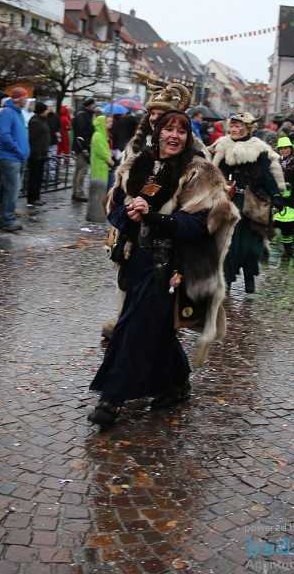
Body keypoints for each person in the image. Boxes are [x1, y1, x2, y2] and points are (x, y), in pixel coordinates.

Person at [89, 101, 238, 427]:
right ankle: (177, 383)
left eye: (181, 130)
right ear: (157, 133)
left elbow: (200, 225)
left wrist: (154, 217)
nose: (174, 135)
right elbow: (114, 209)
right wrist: (129, 216)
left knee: (137, 328)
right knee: (151, 327)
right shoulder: (137, 166)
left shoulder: (199, 172)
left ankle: (111, 398)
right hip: (138, 261)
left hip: (171, 264)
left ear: (188, 136)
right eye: (168, 129)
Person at [210, 112, 285, 294]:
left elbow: (267, 176)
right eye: (232, 126)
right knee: (228, 245)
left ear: (249, 129)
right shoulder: (223, 146)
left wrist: (276, 196)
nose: (234, 129)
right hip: (230, 202)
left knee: (251, 248)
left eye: (238, 126)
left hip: (252, 204)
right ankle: (225, 282)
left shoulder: (258, 150)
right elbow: (214, 172)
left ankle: (249, 274)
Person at [0, 86, 30, 231]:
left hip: (18, 157)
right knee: (13, 189)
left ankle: (5, 217)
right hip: (11, 157)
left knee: (13, 189)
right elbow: (4, 135)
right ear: (20, 98)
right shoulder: (8, 112)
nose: (27, 100)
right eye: (25, 97)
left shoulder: (18, 113)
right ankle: (7, 219)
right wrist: (18, 150)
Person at [272, 136, 294, 257]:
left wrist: (286, 169)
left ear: (290, 149)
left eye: (286, 148)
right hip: (276, 197)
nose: (283, 151)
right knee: (271, 225)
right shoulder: (274, 161)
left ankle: (288, 250)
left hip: (290, 199)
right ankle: (265, 248)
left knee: (287, 228)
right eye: (281, 148)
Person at [26, 101, 52, 207]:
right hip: (36, 155)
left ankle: (36, 197)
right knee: (34, 177)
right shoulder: (36, 121)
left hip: (42, 154)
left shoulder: (42, 120)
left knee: (39, 177)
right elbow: (34, 139)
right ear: (42, 111)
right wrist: (37, 154)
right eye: (46, 109)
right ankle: (32, 198)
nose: (47, 111)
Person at [71, 97, 96, 202]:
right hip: (81, 146)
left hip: (80, 145)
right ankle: (79, 193)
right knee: (83, 169)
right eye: (93, 105)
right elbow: (81, 133)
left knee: (78, 169)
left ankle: (75, 191)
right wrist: (84, 147)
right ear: (89, 105)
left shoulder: (82, 113)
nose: (94, 107)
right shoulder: (83, 115)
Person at [90, 111, 114, 191]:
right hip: (99, 168)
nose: (109, 124)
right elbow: (102, 153)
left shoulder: (103, 135)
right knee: (99, 190)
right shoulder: (97, 135)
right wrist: (111, 161)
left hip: (103, 167)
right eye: (107, 122)